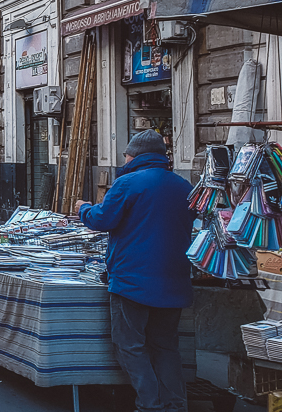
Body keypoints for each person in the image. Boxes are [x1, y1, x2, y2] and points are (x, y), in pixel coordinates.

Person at [74, 130, 193, 412]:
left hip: (132, 280)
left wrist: (83, 208)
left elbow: (102, 219)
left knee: (130, 346)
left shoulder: (127, 182)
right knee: (165, 347)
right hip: (175, 279)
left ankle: (150, 404)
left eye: (126, 153)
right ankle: (176, 405)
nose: (123, 157)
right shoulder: (184, 185)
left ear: (135, 155)